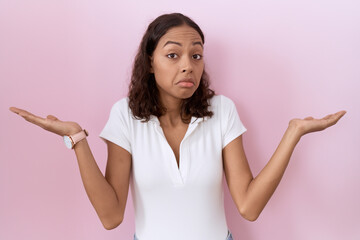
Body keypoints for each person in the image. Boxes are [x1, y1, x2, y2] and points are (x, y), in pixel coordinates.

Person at [9, 13, 346, 240]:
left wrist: (294, 133)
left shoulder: (221, 111)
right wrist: (76, 138)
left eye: (196, 55)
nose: (188, 66)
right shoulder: (124, 116)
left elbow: (249, 206)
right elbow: (111, 216)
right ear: (150, 63)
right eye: (173, 55)